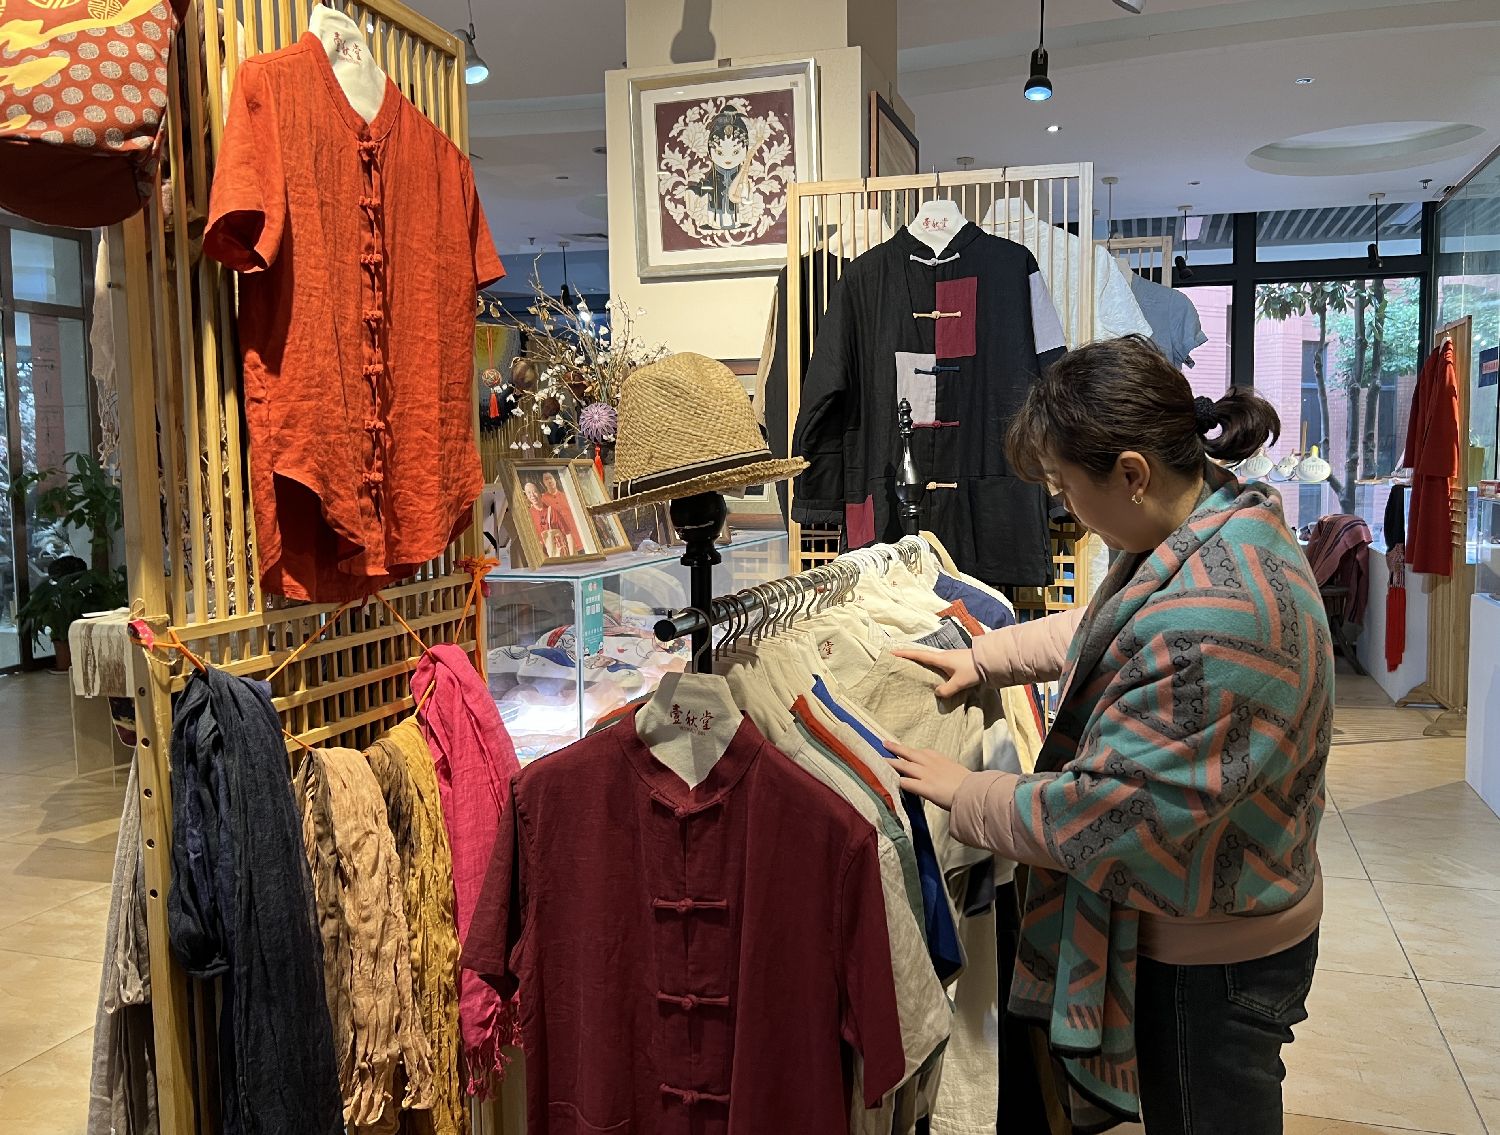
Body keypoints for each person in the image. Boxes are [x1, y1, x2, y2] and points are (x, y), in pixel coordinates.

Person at [888, 335, 1332, 1135]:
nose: (1066, 509)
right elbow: (1112, 631)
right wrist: (987, 655)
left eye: (1065, 487)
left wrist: (966, 794)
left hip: (1219, 956)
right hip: (1239, 907)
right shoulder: (1219, 519)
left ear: (1131, 473)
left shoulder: (1212, 623)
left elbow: (1100, 815)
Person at [523, 479, 573, 558]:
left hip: (558, 555)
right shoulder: (528, 516)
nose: (532, 495)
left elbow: (568, 534)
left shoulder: (552, 511)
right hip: (541, 557)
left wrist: (572, 557)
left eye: (534, 491)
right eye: (528, 493)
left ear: (540, 493)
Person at [539, 471, 585, 554]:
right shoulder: (543, 500)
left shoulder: (566, 496)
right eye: (546, 479)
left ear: (555, 479)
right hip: (561, 541)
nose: (549, 481)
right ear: (543, 483)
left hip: (578, 537)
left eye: (550, 478)